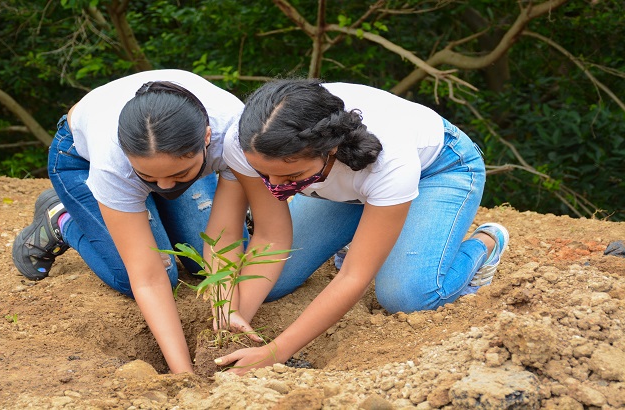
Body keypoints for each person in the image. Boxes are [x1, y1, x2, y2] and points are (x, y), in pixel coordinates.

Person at [216, 78, 510, 375]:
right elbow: (269, 235)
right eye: (263, 174)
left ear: (329, 149)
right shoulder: (250, 142)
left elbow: (353, 277)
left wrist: (275, 352)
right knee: (270, 281)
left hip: (437, 171)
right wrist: (232, 317)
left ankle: (485, 243)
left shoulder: (389, 162)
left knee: (408, 296)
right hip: (348, 189)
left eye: (291, 175)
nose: (275, 187)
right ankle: (362, 233)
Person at [11, 69, 250, 374]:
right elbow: (147, 279)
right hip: (80, 160)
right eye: (149, 178)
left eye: (178, 175)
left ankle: (157, 196)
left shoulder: (234, 134)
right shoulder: (112, 160)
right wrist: (183, 375)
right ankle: (63, 219)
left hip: (168, 151)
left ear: (206, 139)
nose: (164, 187)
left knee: (212, 263)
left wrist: (226, 309)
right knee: (145, 274)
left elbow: (223, 241)